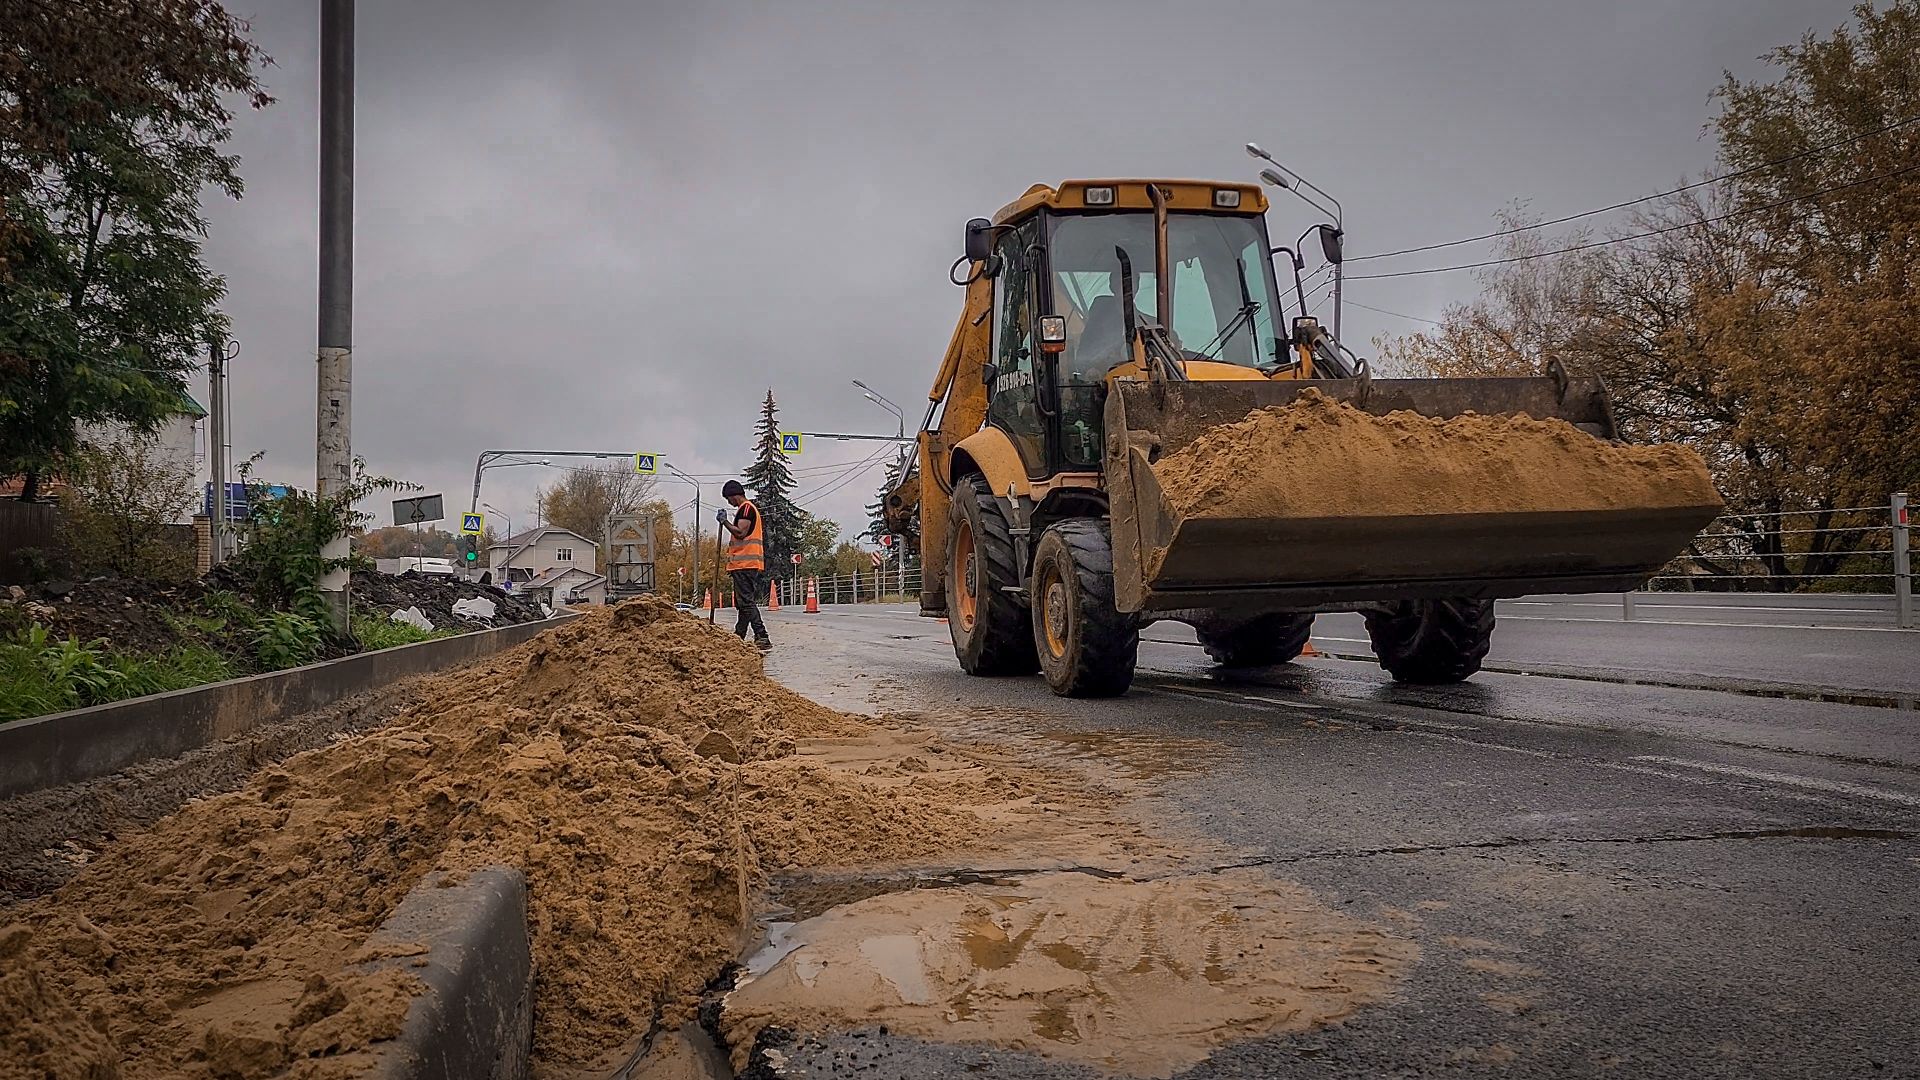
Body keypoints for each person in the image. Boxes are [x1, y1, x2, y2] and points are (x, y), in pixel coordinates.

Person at [716, 479, 771, 650]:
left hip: (745, 563)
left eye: (728, 499)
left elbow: (740, 533)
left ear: (734, 495)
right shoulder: (745, 509)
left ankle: (762, 635)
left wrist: (725, 522)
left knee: (746, 601)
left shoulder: (746, 509)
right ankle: (739, 635)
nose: (729, 502)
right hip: (744, 563)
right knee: (742, 603)